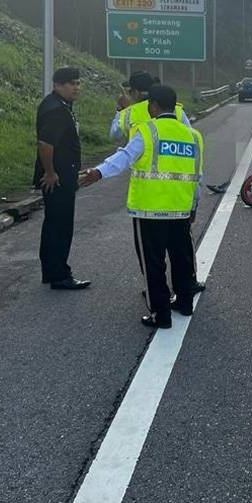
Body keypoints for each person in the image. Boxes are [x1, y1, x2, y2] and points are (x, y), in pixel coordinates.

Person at [79, 84, 199, 328]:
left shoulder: (147, 131)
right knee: (182, 259)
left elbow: (123, 157)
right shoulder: (193, 136)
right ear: (175, 106)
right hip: (181, 209)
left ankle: (161, 315)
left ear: (153, 106)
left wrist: (98, 172)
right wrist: (194, 204)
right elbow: (198, 175)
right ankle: (185, 303)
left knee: (153, 265)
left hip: (150, 210)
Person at [35, 67, 90, 290]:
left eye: (78, 83)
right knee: (60, 226)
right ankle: (59, 275)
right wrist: (50, 173)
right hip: (57, 179)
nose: (77, 87)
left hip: (62, 174)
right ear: (58, 85)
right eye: (71, 83)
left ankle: (52, 271)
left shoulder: (59, 105)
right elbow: (45, 144)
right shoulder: (56, 109)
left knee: (54, 225)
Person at [111, 71, 192, 143]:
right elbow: (190, 136)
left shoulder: (129, 113)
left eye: (130, 91)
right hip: (173, 159)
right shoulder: (176, 109)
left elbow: (115, 135)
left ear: (136, 93)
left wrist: (121, 109)